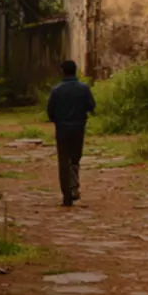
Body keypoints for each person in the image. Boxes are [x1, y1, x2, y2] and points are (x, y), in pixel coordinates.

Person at [46, 60, 95, 206]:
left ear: (62, 71)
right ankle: (74, 187)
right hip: (78, 127)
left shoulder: (56, 90)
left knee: (63, 161)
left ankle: (66, 194)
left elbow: (50, 112)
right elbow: (91, 106)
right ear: (75, 71)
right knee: (75, 159)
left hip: (62, 129)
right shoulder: (84, 88)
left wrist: (58, 120)